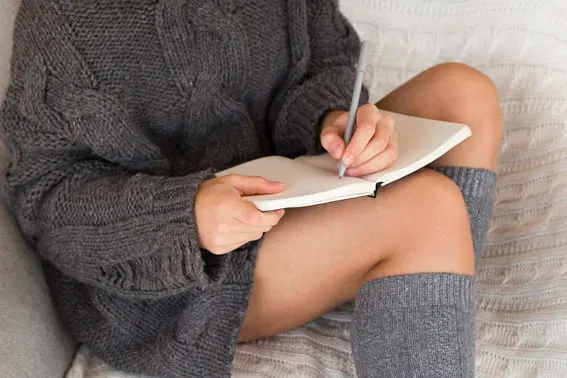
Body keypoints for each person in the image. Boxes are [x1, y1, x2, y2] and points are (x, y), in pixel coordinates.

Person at [0, 0, 501, 377]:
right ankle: (412, 259)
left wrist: (332, 123)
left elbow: (321, 64)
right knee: (430, 207)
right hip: (175, 275)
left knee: (463, 94)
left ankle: (413, 302)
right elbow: (46, 193)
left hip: (285, 187)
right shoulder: (64, 20)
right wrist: (184, 216)